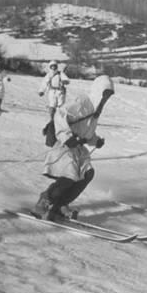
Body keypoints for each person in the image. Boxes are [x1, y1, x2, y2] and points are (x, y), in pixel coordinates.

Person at [33, 75, 115, 221]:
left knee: (87, 174)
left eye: (109, 94)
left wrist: (95, 141)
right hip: (65, 145)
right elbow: (60, 114)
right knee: (70, 176)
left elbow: (86, 131)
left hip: (77, 148)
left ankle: (60, 205)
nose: (106, 97)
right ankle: (45, 200)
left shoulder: (96, 109)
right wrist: (67, 137)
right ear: (98, 90)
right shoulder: (82, 102)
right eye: (105, 93)